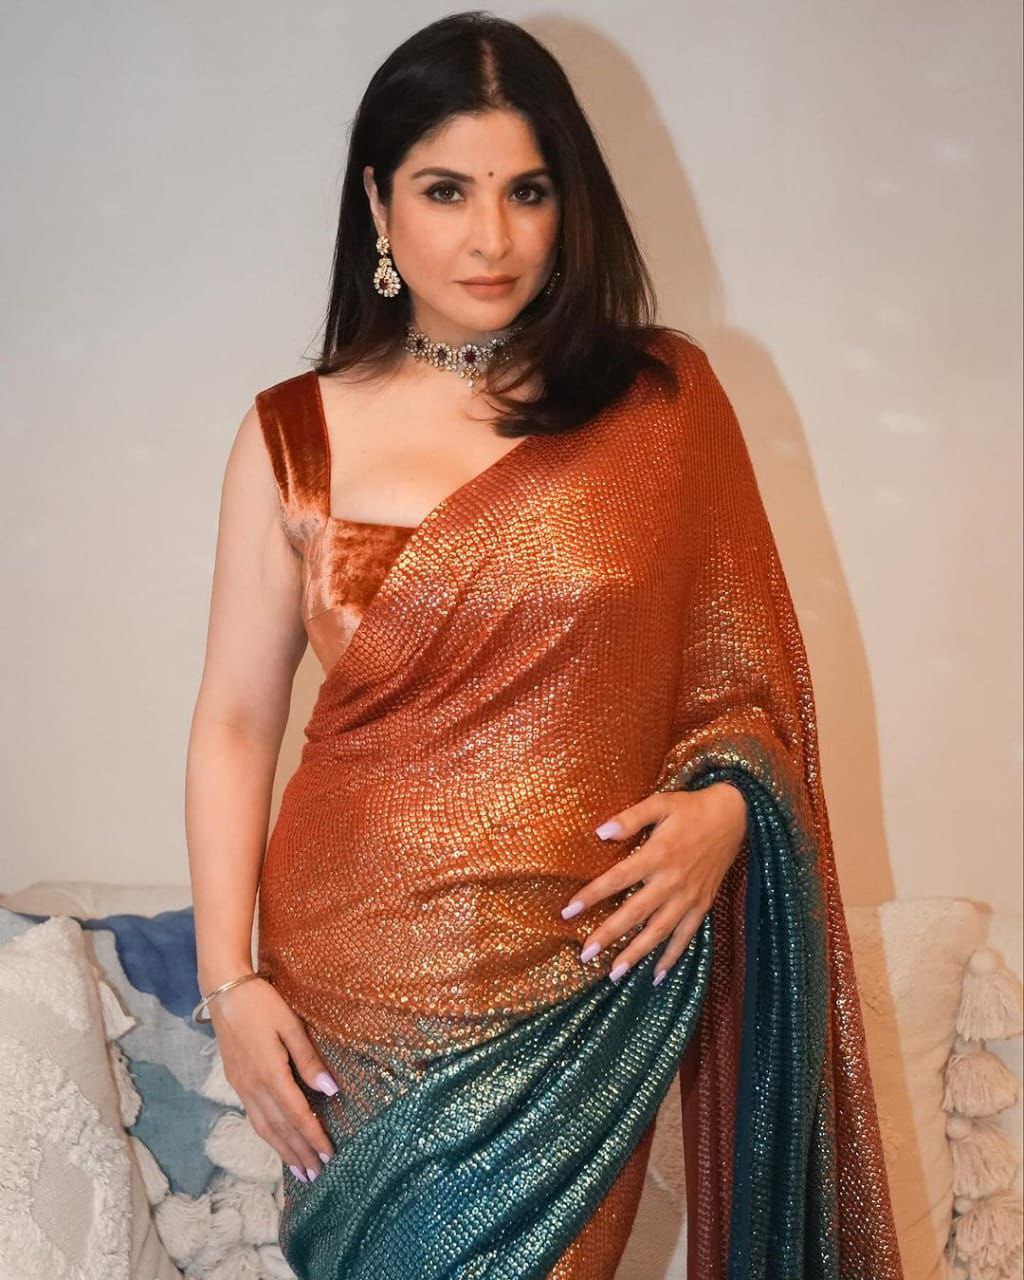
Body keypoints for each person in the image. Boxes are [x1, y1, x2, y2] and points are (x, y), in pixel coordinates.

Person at [184, 11, 905, 1279]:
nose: (492, 236)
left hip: (576, 976)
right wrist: (229, 983)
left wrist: (730, 809)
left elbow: (747, 684)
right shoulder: (293, 435)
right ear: (377, 202)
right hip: (352, 988)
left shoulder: (660, 406)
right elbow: (236, 721)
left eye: (526, 190)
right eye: (445, 190)